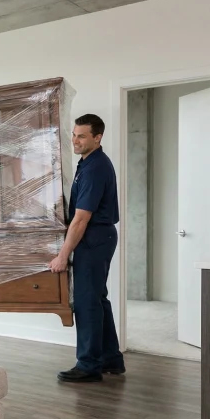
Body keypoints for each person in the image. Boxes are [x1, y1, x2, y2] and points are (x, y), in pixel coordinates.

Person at [49, 114, 126, 383]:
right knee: (97, 299)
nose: (75, 140)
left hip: (94, 238)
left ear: (97, 137)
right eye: (74, 134)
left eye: (82, 136)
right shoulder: (88, 163)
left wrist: (62, 255)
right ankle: (110, 359)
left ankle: (89, 365)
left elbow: (81, 218)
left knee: (86, 302)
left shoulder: (95, 168)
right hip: (98, 237)